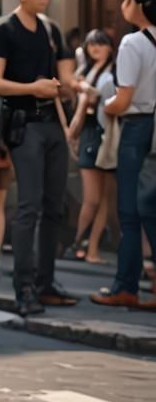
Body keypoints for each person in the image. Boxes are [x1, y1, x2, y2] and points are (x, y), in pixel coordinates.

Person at [0, 0, 77, 316]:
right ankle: (24, 287)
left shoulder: (52, 30)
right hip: (23, 123)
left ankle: (47, 283)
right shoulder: (4, 30)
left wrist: (71, 98)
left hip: (52, 126)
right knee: (28, 207)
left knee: (55, 207)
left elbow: (63, 80)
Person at [92, 0, 156, 310]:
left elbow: (123, 98)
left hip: (137, 129)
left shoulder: (133, 43)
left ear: (142, 5)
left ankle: (125, 286)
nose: (123, 4)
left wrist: (101, 104)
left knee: (130, 211)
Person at [66, 30, 116, 263]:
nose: (95, 48)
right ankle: (78, 242)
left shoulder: (113, 71)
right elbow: (79, 102)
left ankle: (91, 248)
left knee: (104, 198)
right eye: (91, 44)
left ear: (109, 47)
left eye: (100, 44)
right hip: (91, 133)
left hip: (106, 133)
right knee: (93, 198)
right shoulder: (85, 71)